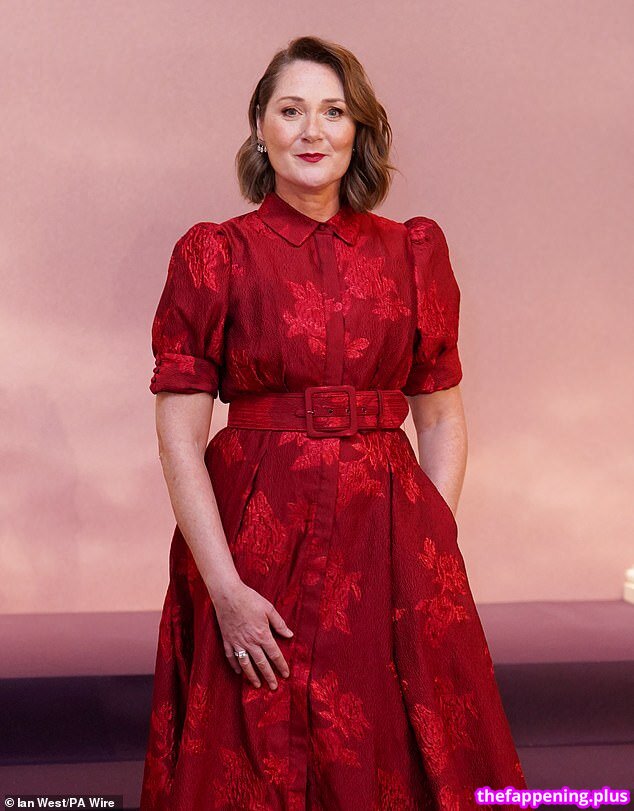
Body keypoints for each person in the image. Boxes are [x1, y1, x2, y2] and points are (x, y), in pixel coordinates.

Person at [140, 34, 527, 811]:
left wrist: (423, 542)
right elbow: (180, 436)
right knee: (250, 749)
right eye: (291, 110)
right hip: (254, 540)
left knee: (393, 753)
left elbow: (441, 417)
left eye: (333, 111)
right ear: (260, 127)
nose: (312, 130)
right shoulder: (216, 255)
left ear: (360, 131)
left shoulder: (413, 253)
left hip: (384, 541)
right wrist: (225, 587)